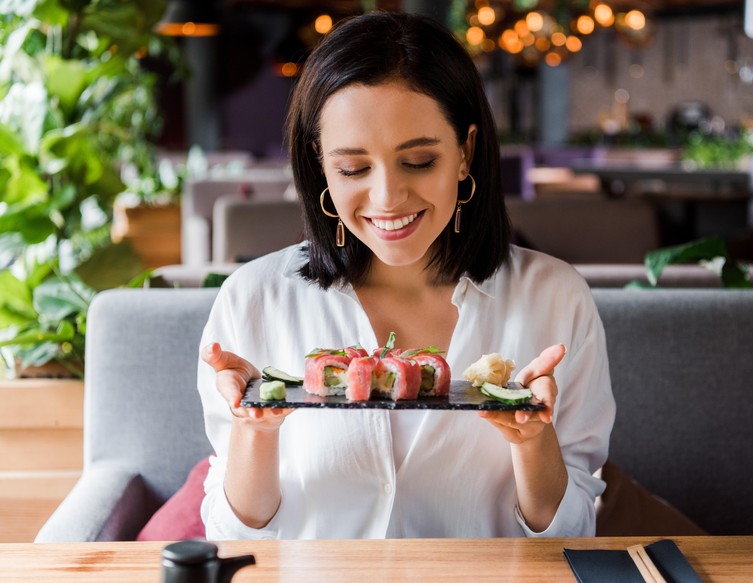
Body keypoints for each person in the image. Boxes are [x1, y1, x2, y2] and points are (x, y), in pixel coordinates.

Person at [197, 11, 615, 540]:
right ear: (320, 163)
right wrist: (254, 431)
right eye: (353, 169)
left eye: (418, 161)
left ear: (465, 152)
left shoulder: (555, 299)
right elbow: (231, 540)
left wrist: (533, 442)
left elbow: (573, 537)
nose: (388, 197)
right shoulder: (252, 300)